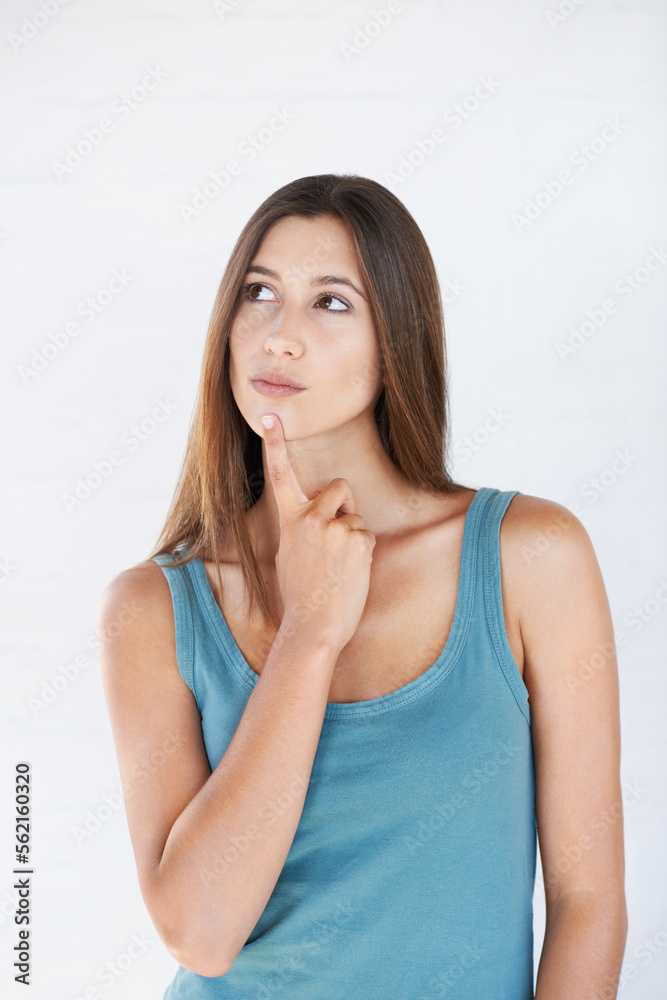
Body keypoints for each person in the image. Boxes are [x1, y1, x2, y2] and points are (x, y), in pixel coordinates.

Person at [98, 173, 627, 999]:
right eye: (258, 293)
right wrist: (310, 630)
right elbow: (200, 934)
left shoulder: (530, 557)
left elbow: (586, 901)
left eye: (331, 303)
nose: (279, 336)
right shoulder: (151, 609)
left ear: (397, 340)